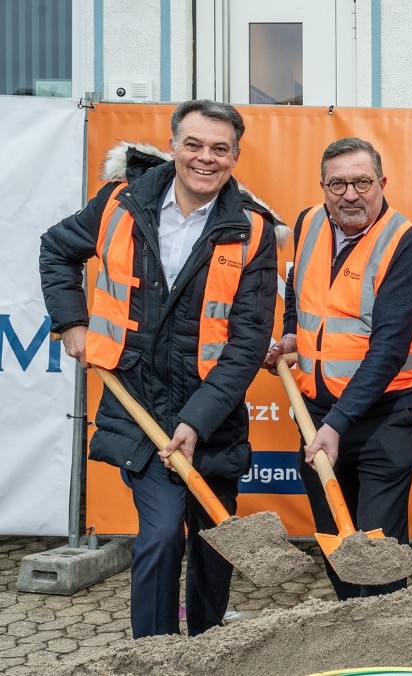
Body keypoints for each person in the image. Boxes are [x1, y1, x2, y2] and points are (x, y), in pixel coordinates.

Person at [39, 100, 279, 637]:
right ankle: (153, 652)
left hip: (210, 413)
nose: (205, 158)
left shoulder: (252, 232)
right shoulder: (122, 204)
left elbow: (246, 345)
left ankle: (207, 641)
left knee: (215, 534)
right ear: (172, 146)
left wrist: (196, 423)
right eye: (193, 144)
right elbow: (57, 249)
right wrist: (72, 322)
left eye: (220, 149)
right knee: (162, 531)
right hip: (139, 404)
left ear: (236, 157)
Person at [265, 137, 412, 600]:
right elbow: (297, 291)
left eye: (362, 182)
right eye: (337, 183)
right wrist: (291, 334)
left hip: (386, 413)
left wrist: (338, 423)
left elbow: (389, 349)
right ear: (322, 186)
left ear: (382, 183)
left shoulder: (405, 244)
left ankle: (385, 634)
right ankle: (349, 622)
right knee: (335, 538)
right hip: (317, 411)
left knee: (377, 542)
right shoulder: (308, 223)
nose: (350, 194)